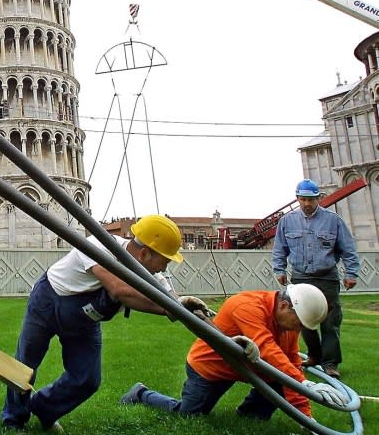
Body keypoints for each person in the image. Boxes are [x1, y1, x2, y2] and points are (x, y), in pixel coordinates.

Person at [0, 215, 210, 432]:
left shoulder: (150, 273)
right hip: (47, 302)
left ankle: (43, 408)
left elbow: (168, 295)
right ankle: (13, 419)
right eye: (165, 261)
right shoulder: (97, 245)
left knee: (87, 380)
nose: (165, 268)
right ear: (145, 253)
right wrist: (168, 308)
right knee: (25, 364)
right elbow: (119, 290)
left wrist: (182, 304)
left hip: (84, 320)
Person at [119, 283, 346, 420]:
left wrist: (306, 419)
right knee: (188, 415)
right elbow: (266, 348)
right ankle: (140, 394)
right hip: (211, 367)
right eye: (299, 323)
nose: (298, 330)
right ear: (285, 305)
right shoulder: (248, 306)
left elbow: (291, 362)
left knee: (283, 377)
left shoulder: (288, 321)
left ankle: (250, 415)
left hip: (251, 365)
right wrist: (304, 384)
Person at [271, 178, 360, 378]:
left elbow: (348, 249)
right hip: (300, 277)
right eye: (302, 200)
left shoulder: (333, 220)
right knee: (303, 318)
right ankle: (314, 356)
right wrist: (280, 270)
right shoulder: (287, 221)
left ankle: (330, 363)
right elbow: (279, 249)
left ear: (318, 198)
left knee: (330, 321)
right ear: (297, 199)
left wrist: (351, 273)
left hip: (327, 277)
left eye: (311, 200)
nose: (307, 204)